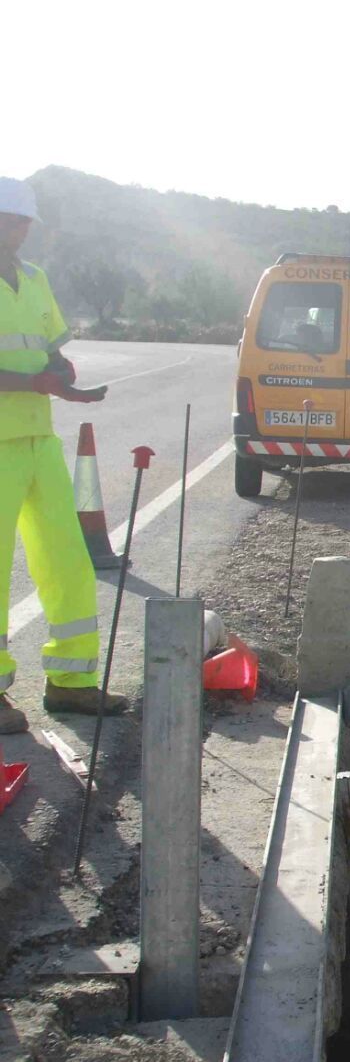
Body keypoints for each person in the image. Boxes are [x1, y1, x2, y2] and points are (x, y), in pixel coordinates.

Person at [0, 177, 127, 735]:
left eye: (26, 221)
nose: (21, 230)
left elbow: (52, 351)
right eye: (13, 219)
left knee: (69, 559)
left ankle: (70, 682)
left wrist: (65, 376)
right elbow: (34, 373)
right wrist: (44, 385)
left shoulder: (33, 279)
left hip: (37, 440)